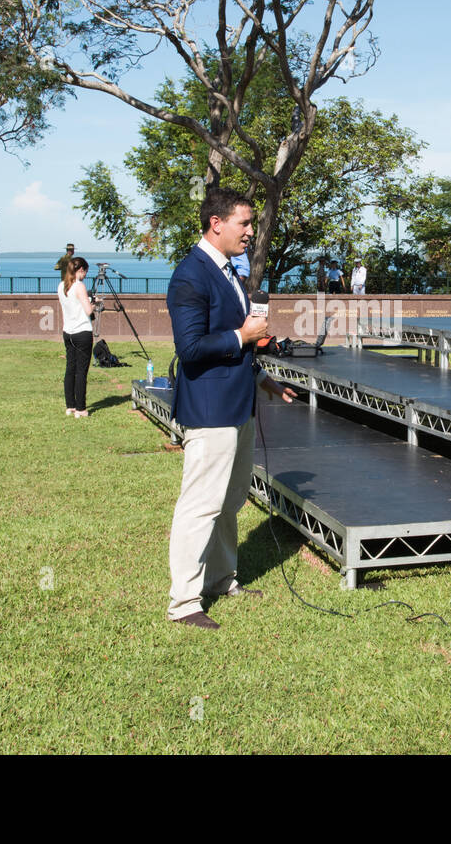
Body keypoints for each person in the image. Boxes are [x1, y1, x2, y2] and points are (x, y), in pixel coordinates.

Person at [165, 187, 296, 630]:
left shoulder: (229, 272)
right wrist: (243, 335)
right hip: (210, 411)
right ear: (216, 223)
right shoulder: (190, 275)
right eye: (244, 223)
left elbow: (236, 345)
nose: (251, 231)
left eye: (252, 223)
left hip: (239, 406)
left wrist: (264, 381)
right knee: (200, 504)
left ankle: (221, 579)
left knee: (229, 500)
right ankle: (183, 602)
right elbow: (191, 348)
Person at [58, 256, 96, 417]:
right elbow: (88, 311)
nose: (85, 275)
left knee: (70, 369)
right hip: (82, 332)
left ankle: (70, 406)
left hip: (68, 331)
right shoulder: (79, 286)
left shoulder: (61, 286)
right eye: (85, 272)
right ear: (81, 270)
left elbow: (73, 304)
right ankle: (81, 408)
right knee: (81, 372)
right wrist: (93, 304)